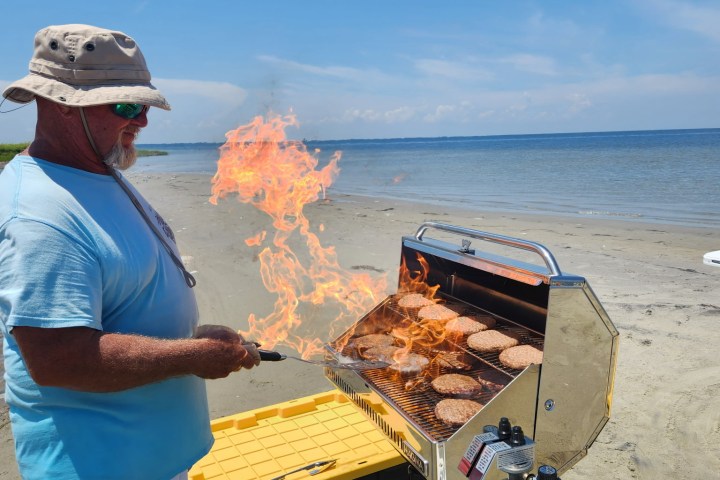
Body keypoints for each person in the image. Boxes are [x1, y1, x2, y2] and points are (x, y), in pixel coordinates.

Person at [0, 24, 261, 480]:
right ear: (62, 104)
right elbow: (59, 357)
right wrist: (193, 356)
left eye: (143, 105)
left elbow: (120, 296)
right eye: (127, 105)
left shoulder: (94, 170)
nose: (142, 120)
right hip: (100, 466)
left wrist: (191, 335)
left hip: (147, 461)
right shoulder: (38, 215)